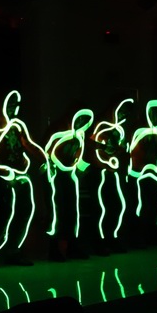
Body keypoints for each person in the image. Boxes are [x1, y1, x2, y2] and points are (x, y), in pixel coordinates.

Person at [0, 89, 47, 271]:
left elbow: (28, 144)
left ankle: (14, 251)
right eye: (9, 104)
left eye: (15, 105)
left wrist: (44, 159)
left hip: (21, 176)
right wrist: (5, 172)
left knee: (25, 212)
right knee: (5, 216)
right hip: (4, 179)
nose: (13, 109)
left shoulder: (17, 126)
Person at [43, 107, 95, 260]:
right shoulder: (58, 132)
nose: (81, 122)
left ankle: (72, 246)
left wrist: (81, 169)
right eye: (80, 118)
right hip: (55, 177)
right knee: (57, 213)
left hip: (70, 177)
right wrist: (50, 168)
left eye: (85, 121)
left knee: (72, 212)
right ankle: (54, 250)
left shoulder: (80, 136)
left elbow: (78, 156)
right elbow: (47, 152)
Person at [90, 97, 134, 253]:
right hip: (100, 172)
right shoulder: (101, 125)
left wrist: (122, 151)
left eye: (126, 113)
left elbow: (120, 150)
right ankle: (99, 241)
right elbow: (92, 147)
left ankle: (112, 238)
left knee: (117, 206)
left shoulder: (119, 130)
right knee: (101, 208)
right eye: (121, 111)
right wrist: (105, 155)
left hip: (114, 173)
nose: (123, 115)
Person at [127, 99, 157, 244]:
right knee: (140, 204)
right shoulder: (140, 131)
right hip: (138, 173)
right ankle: (139, 237)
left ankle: (154, 235)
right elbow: (131, 151)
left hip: (153, 172)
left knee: (156, 204)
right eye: (152, 114)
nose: (155, 117)